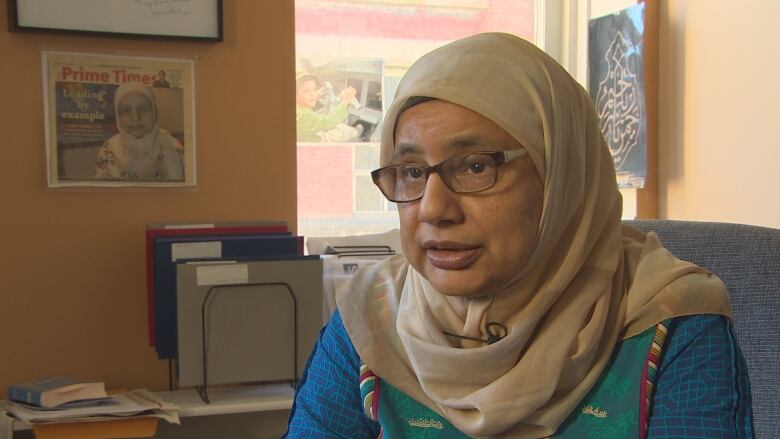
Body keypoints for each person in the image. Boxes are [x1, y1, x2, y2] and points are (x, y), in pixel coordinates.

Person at [284, 33, 753, 438]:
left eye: (474, 166)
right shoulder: (370, 319)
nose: (432, 208)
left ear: (560, 179)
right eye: (410, 171)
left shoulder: (671, 320)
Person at [95, 82, 184, 181]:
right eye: (126, 110)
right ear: (117, 115)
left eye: (143, 108)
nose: (135, 117)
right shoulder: (109, 149)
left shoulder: (174, 148)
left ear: (155, 112)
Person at [296, 72, 361, 142]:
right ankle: (356, 132)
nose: (313, 94)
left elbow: (310, 96)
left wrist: (318, 94)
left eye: (314, 90)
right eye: (307, 91)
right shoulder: (305, 115)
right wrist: (345, 101)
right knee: (340, 130)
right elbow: (329, 121)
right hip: (316, 141)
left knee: (334, 123)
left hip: (309, 135)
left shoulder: (299, 108)